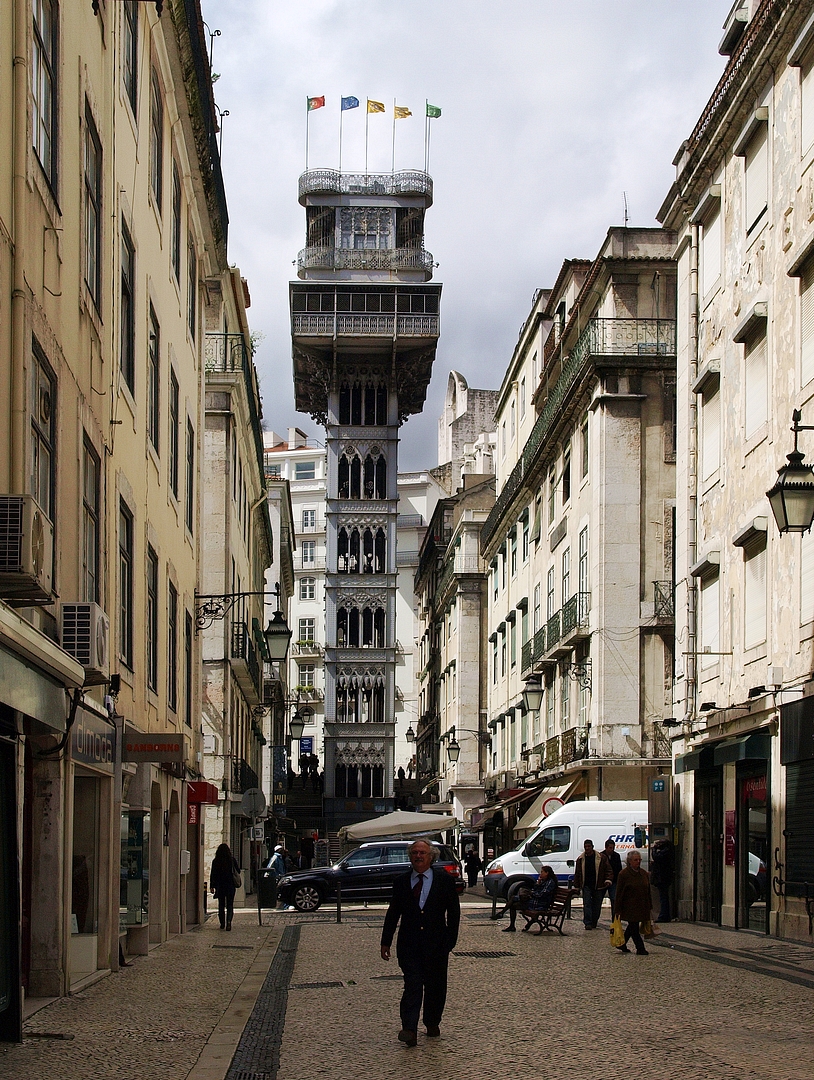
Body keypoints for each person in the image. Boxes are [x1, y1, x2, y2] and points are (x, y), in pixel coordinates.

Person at [380, 839, 460, 1048]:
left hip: (437, 945)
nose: (418, 856)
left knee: (435, 987)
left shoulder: (444, 880)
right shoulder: (402, 881)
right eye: (414, 853)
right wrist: (385, 941)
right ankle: (409, 1029)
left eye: (422, 853)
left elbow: (453, 912)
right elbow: (393, 913)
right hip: (409, 945)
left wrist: (450, 940)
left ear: (430, 856)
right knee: (413, 986)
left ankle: (432, 1022)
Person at [615, 850, 653, 955]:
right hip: (629, 906)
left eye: (639, 860)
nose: (638, 862)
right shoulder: (624, 874)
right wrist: (617, 909)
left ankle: (622, 943)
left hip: (642, 905)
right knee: (634, 927)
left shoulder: (643, 873)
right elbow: (619, 892)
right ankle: (640, 948)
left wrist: (650, 905)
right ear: (629, 861)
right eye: (635, 860)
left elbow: (647, 890)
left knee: (632, 926)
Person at [502, 865, 557, 931]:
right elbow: (536, 889)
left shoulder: (550, 883)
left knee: (514, 901)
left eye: (542, 872)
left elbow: (541, 894)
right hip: (535, 901)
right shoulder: (544, 881)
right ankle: (510, 924)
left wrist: (531, 893)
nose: (540, 874)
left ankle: (502, 914)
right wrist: (538, 883)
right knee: (513, 902)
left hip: (540, 904)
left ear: (547, 873)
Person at [572, 839, 613, 929]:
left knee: (597, 905)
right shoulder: (581, 859)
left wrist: (608, 880)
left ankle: (594, 921)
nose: (587, 848)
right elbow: (578, 873)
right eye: (585, 847)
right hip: (586, 885)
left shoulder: (601, 858)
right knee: (587, 904)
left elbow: (608, 870)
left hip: (598, 885)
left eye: (589, 846)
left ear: (592, 847)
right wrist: (577, 886)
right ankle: (588, 922)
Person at [210, 843, 240, 931]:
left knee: (221, 905)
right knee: (230, 905)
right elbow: (237, 870)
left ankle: (222, 923)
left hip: (220, 886)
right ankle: (229, 922)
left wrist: (212, 886)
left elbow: (213, 874)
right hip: (230, 885)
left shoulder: (216, 861)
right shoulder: (232, 860)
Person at [650, 838, 674, 922]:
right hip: (663, 877)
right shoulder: (667, 851)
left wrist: (654, 849)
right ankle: (664, 915)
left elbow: (656, 857)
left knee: (663, 897)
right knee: (663, 897)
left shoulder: (665, 851)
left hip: (663, 878)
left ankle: (664, 916)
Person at [603, 838, 623, 919]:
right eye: (610, 848)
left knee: (614, 900)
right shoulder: (601, 856)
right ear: (606, 847)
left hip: (614, 881)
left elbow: (619, 869)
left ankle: (615, 919)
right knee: (598, 900)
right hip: (603, 881)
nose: (612, 849)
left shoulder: (616, 856)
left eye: (613, 848)